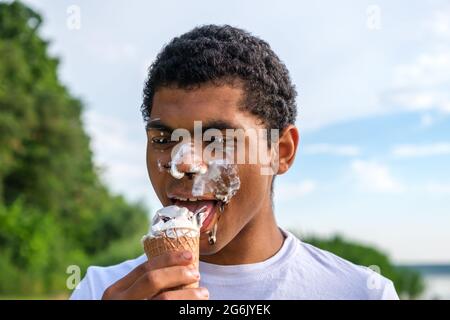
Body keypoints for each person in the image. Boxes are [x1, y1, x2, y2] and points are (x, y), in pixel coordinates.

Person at [70, 25, 399, 300]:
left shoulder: (360, 293)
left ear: (281, 152)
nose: (183, 163)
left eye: (217, 140)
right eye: (164, 139)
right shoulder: (101, 290)